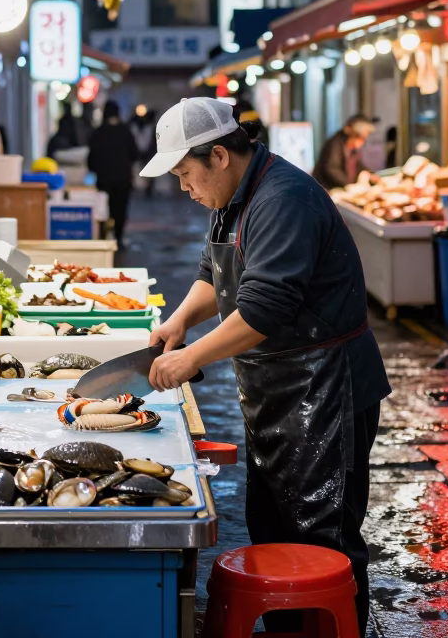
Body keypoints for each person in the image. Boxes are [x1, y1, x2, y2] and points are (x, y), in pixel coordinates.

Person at [142, 97, 390, 632]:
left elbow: (263, 309)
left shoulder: (283, 199)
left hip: (325, 386)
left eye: (186, 174)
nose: (184, 188)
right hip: (276, 388)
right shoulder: (232, 196)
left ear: (219, 156)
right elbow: (215, 272)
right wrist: (179, 322)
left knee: (324, 534)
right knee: (276, 526)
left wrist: (190, 359)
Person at [87, 99, 139, 246]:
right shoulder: (125, 131)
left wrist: (96, 169)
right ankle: (118, 238)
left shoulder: (98, 132)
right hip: (123, 179)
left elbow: (91, 158)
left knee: (102, 209)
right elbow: (134, 154)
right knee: (120, 209)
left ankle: (103, 237)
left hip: (103, 180)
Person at [312, 114, 378, 190]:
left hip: (343, 188)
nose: (361, 143)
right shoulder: (334, 144)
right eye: (359, 138)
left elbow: (358, 165)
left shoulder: (352, 147)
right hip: (328, 189)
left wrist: (370, 174)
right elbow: (331, 169)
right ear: (351, 132)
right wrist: (348, 185)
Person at [130, 107, 157, 196]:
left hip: (148, 151)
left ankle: (148, 189)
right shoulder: (133, 126)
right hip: (137, 150)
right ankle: (136, 187)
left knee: (150, 172)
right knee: (135, 170)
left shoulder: (151, 126)